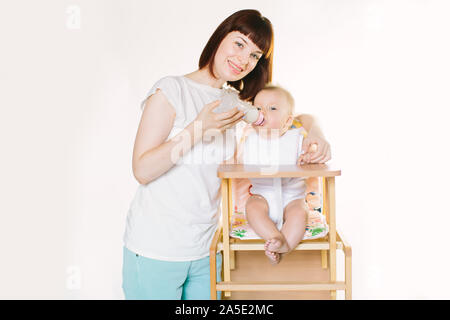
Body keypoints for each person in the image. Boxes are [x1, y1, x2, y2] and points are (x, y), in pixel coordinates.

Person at [122, 9, 331, 300]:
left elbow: (289, 117)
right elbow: (142, 170)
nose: (244, 59)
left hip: (207, 249)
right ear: (221, 37)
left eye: (256, 55)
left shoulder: (233, 102)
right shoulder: (172, 89)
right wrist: (198, 129)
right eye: (239, 44)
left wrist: (317, 133)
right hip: (157, 248)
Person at [237, 85, 311, 264]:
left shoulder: (297, 139)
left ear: (287, 121)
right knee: (252, 207)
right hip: (262, 194)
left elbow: (311, 155)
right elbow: (236, 163)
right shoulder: (248, 139)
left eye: (272, 108)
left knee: (300, 213)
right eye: (258, 108)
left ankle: (285, 246)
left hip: (292, 196)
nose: (263, 113)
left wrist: (309, 156)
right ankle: (275, 237)